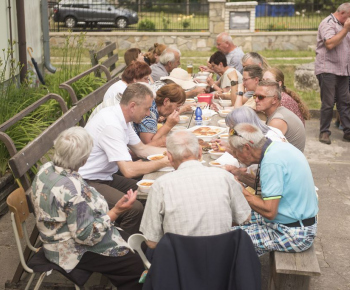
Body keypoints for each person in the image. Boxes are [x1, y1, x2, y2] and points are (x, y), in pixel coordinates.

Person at [30, 127, 144, 290]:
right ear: (84, 160)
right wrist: (116, 211)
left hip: (54, 237)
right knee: (136, 265)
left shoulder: (46, 169)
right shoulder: (72, 190)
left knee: (138, 244)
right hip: (69, 251)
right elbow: (86, 236)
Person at [79, 83, 170, 235]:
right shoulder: (111, 124)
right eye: (147, 108)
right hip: (85, 182)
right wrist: (164, 161)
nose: (149, 113)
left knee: (151, 190)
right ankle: (122, 249)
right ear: (133, 106)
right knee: (134, 208)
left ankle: (146, 239)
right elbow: (128, 170)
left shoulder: (121, 118)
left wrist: (174, 152)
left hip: (103, 176)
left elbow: (142, 150)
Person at [140, 130, 251, 249]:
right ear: (199, 153)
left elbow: (152, 242)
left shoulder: (160, 185)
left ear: (169, 157)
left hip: (179, 262)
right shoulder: (224, 176)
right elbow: (245, 217)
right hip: (223, 259)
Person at [230, 123, 318, 256]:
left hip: (294, 233)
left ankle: (240, 271)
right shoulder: (277, 148)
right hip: (293, 220)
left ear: (247, 148)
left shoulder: (271, 162)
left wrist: (239, 189)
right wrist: (240, 175)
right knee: (233, 215)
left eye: (236, 151)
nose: (235, 156)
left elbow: (270, 211)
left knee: (227, 239)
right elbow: (268, 188)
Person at [315, 3, 350, 144]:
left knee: (345, 102)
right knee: (328, 103)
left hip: (343, 70)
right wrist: (346, 29)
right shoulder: (328, 23)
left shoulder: (345, 26)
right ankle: (324, 132)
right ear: (342, 13)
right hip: (328, 69)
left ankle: (348, 132)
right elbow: (329, 44)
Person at [254, 80, 306, 152]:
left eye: (260, 97)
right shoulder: (278, 113)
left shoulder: (277, 121)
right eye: (254, 96)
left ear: (274, 99)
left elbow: (263, 150)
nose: (256, 100)